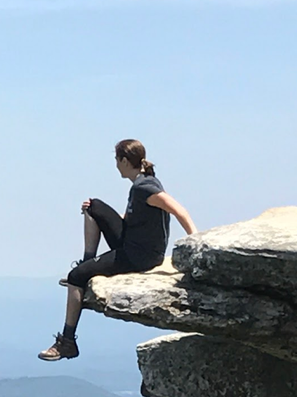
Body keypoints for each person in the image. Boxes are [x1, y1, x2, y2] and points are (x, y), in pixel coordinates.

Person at [38, 138, 195, 361]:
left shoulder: (144, 188)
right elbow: (133, 219)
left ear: (124, 161)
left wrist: (195, 241)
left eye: (116, 159)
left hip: (138, 257)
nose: (115, 164)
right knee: (92, 206)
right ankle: (88, 263)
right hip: (135, 244)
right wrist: (101, 215)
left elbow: (179, 210)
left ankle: (67, 342)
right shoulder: (143, 182)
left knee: (75, 277)